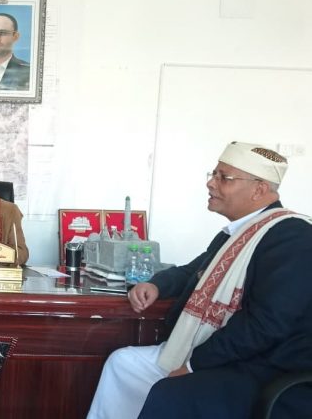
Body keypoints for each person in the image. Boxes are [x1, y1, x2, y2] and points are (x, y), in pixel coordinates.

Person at [87, 141, 312, 419]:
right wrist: (156, 285)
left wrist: (194, 364)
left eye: (224, 177)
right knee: (124, 365)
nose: (211, 183)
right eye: (213, 174)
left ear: (259, 189)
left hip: (263, 367)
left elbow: (265, 325)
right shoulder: (238, 233)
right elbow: (194, 271)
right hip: (227, 354)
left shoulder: (292, 237)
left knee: (172, 393)